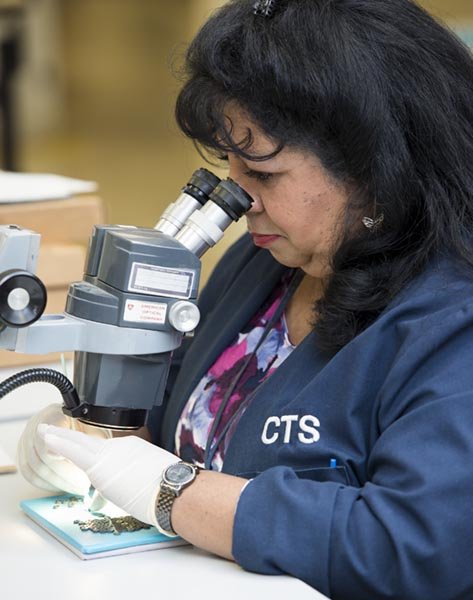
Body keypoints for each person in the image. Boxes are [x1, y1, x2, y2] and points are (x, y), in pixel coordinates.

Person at [16, 0, 473, 598]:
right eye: (230, 171)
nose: (239, 202)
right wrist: (86, 440)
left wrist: (178, 494)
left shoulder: (451, 323)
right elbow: (165, 413)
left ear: (375, 165)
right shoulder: (267, 261)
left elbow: (415, 547)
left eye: (263, 175)